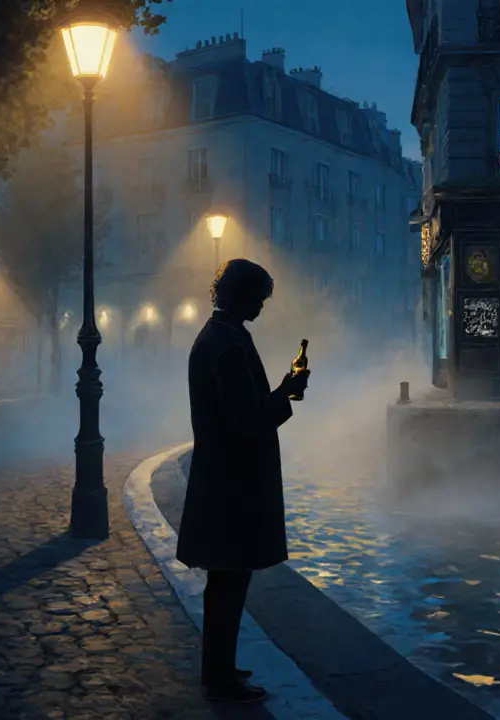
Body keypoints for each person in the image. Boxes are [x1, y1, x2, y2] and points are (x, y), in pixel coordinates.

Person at [176, 258, 311, 704]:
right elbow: (247, 421)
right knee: (230, 584)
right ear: (241, 294)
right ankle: (220, 678)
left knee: (225, 582)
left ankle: (220, 668)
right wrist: (288, 393)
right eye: (259, 297)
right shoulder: (229, 345)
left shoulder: (213, 337)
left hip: (218, 481)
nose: (262, 305)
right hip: (233, 487)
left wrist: (283, 390)